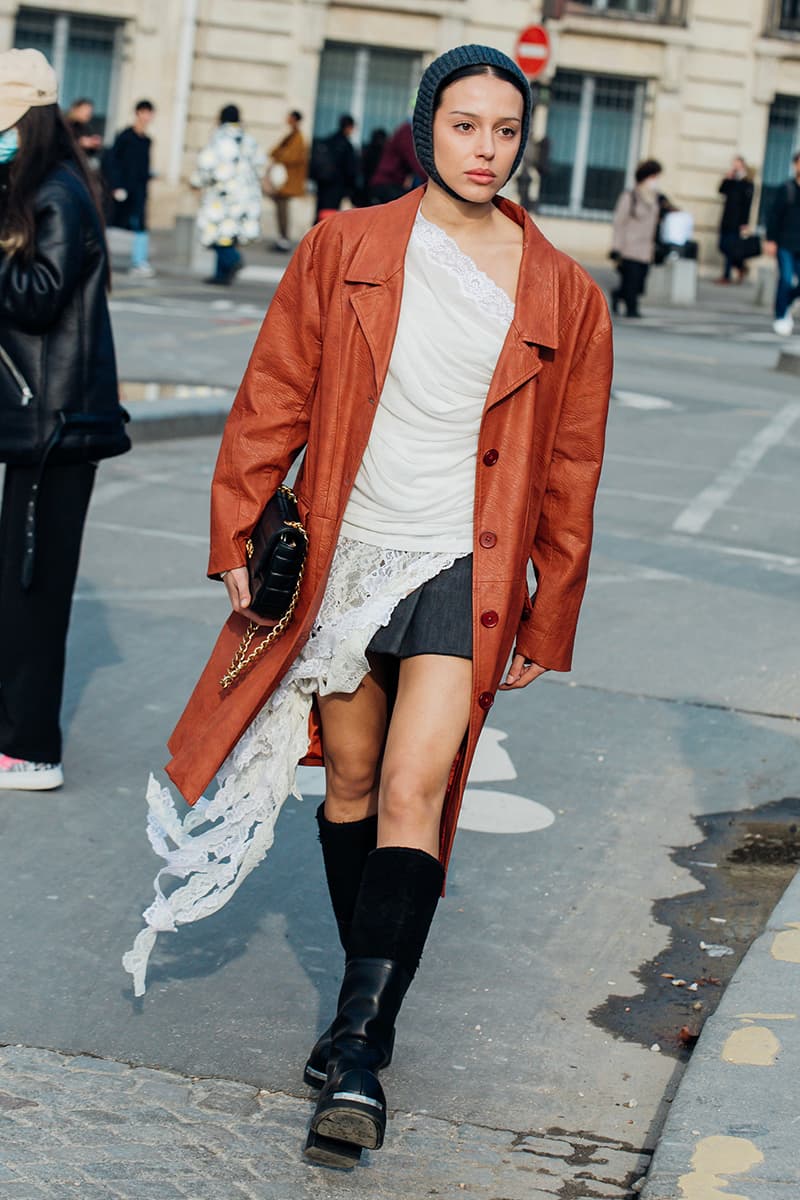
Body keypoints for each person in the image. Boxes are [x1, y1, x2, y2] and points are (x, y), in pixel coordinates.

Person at [124, 44, 612, 1168]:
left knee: (412, 781)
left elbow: (571, 468)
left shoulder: (564, 295)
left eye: (502, 129)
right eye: (463, 126)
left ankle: (356, 1046)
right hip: (349, 549)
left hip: (462, 559)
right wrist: (239, 531)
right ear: (422, 130)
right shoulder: (346, 247)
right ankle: (363, 1000)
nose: (485, 149)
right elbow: (273, 393)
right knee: (347, 776)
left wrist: (551, 607)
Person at [0, 49, 130, 792]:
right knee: (17, 588)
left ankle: (31, 748)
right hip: (42, 420)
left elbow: (37, 295)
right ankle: (12, 732)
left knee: (32, 592)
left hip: (59, 426)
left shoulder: (57, 195)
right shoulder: (42, 188)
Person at [191, 104, 265, 285]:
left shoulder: (219, 138)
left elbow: (207, 164)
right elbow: (260, 165)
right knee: (229, 235)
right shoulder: (248, 139)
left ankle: (232, 260)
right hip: (245, 195)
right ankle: (221, 274)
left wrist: (197, 182)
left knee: (218, 232)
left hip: (222, 194)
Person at [103, 99, 156, 277]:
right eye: (144, 112)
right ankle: (101, 257)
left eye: (150, 113)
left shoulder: (147, 140)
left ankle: (139, 261)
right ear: (137, 113)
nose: (147, 117)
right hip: (123, 189)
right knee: (111, 222)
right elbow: (112, 162)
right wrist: (116, 185)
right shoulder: (125, 137)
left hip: (139, 189)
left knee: (140, 225)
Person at [610, 159, 664, 318]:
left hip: (647, 248)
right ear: (645, 177)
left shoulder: (656, 198)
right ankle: (631, 309)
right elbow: (619, 222)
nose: (656, 180)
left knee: (640, 283)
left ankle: (618, 295)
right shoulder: (631, 196)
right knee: (631, 281)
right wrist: (616, 248)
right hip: (630, 247)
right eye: (654, 176)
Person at [765, 150, 800, 336]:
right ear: (796, 165)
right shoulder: (786, 188)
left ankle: (785, 301)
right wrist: (770, 239)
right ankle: (780, 316)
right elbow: (774, 216)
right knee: (785, 279)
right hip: (785, 243)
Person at [267, 109, 307, 251]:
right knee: (280, 209)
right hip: (283, 181)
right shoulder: (291, 136)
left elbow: (290, 156)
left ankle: (284, 240)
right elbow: (274, 152)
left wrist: (280, 155)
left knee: (283, 210)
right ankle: (282, 238)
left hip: (287, 181)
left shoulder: (298, 137)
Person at [309, 113, 358, 219]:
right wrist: (351, 189)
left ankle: (316, 234)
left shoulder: (328, 140)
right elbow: (350, 169)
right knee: (330, 215)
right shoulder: (346, 145)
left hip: (323, 183)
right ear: (349, 127)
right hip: (336, 186)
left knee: (320, 212)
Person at [368, 118, 425, 204]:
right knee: (408, 206)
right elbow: (415, 161)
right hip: (387, 182)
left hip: (388, 183)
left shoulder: (407, 131)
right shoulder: (407, 132)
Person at [716, 156, 755, 284]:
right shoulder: (731, 180)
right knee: (722, 246)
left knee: (730, 248)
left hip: (737, 222)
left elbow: (747, 205)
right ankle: (740, 266)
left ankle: (726, 276)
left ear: (742, 165)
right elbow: (721, 190)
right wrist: (728, 178)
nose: (735, 166)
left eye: (737, 164)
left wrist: (744, 223)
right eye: (734, 164)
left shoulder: (747, 183)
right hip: (726, 219)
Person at [65, 97, 102, 169]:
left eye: (90, 111)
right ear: (75, 109)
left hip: (80, 166)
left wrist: (94, 145)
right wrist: (79, 143)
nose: (88, 114)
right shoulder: (64, 125)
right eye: (85, 110)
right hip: (66, 166)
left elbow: (89, 153)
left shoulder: (86, 127)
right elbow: (60, 146)